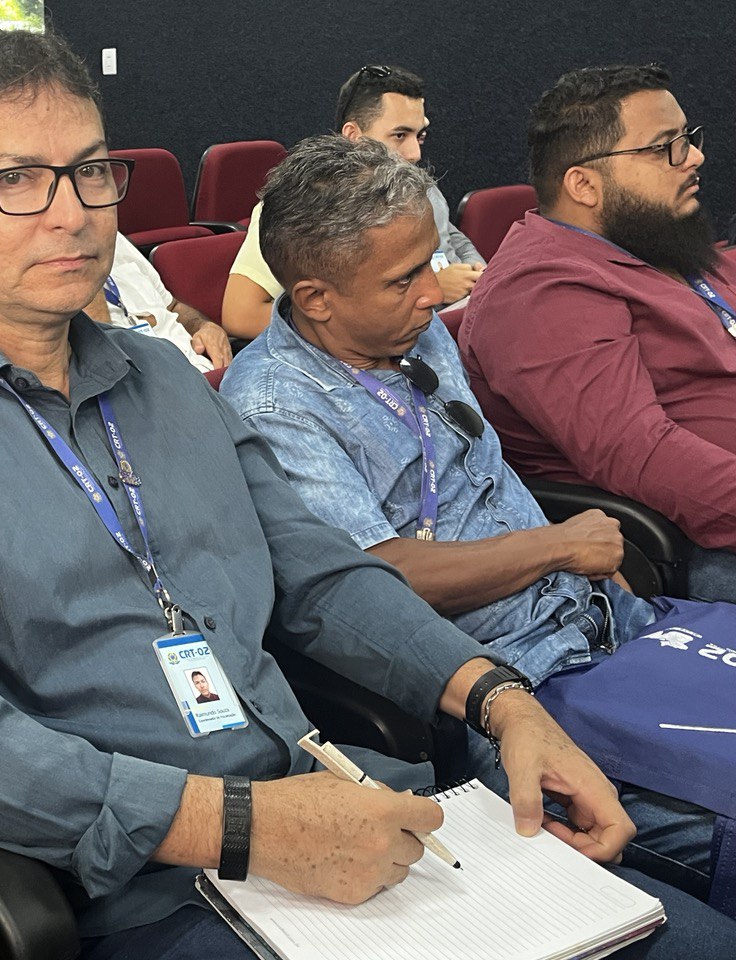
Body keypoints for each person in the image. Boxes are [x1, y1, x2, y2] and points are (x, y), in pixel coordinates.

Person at [0, 26, 733, 958]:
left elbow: (322, 576)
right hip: (146, 888)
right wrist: (245, 827)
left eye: (90, 172)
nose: (70, 213)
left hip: (329, 802)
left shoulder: (164, 379)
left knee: (690, 936)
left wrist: (501, 700)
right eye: (17, 181)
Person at [220, 133, 727, 908]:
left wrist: (581, 570)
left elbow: (478, 476)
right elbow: (376, 582)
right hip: (514, 685)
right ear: (317, 298)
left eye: (430, 263)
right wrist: (556, 547)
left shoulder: (410, 330)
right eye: (404, 278)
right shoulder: (275, 405)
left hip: (606, 620)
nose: (436, 293)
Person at [459, 64, 736, 605]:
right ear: (584, 184)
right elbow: (643, 456)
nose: (693, 158)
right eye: (665, 147)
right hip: (695, 542)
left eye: (688, 138)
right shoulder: (542, 291)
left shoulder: (653, 240)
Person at [222, 65, 484, 340]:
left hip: (448, 332)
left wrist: (478, 274)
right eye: (399, 135)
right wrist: (424, 290)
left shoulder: (416, 188)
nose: (414, 153)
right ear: (353, 136)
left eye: (419, 136)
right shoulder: (301, 206)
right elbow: (240, 315)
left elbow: (454, 240)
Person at [82, 233, 231, 372]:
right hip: (149, 383)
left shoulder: (114, 239)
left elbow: (173, 306)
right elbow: (102, 359)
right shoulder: (73, 283)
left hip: (204, 370)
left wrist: (203, 326)